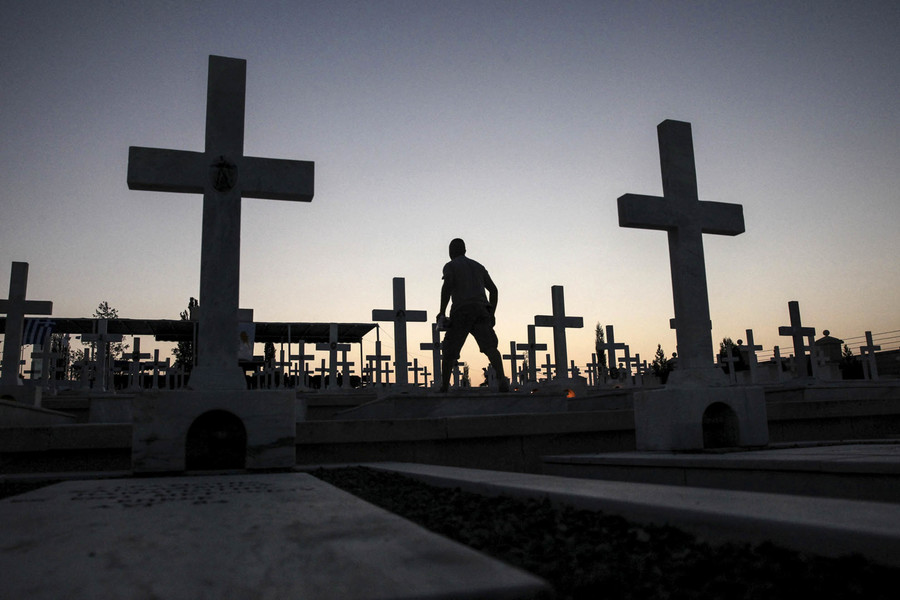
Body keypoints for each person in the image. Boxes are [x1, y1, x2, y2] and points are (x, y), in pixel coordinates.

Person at [438, 238, 508, 392]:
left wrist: (442, 312)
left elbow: (447, 286)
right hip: (481, 310)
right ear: (464, 250)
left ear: (451, 252)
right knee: (491, 348)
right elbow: (494, 290)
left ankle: (444, 386)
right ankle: (502, 380)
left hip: (461, 311)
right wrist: (492, 313)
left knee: (450, 350)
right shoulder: (478, 266)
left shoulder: (450, 266)